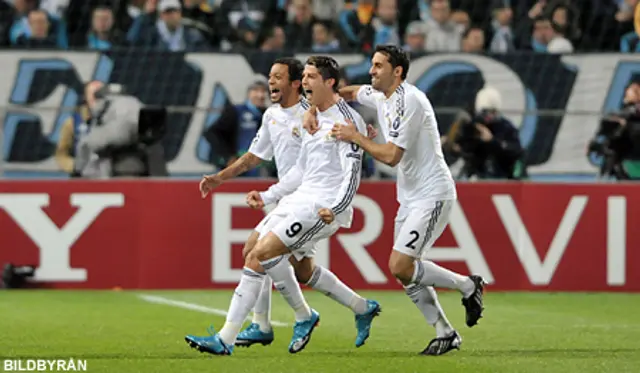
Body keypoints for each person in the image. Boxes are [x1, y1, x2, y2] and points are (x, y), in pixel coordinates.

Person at [185, 57, 380, 356]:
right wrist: (267, 194)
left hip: (321, 205)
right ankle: (358, 307)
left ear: (326, 82)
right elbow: (299, 170)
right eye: (270, 76)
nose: (273, 82)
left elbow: (352, 169)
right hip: (296, 196)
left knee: (261, 256)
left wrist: (338, 204)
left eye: (309, 77)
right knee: (278, 260)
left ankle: (232, 336)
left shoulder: (338, 119)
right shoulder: (306, 116)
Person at [308, 45, 486, 356]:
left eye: (378, 66)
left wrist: (356, 137)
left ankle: (468, 286)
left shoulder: (410, 101)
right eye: (372, 65)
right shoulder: (380, 95)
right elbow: (348, 92)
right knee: (404, 271)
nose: (372, 71)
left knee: (401, 265)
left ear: (398, 72)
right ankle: (445, 332)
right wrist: (314, 106)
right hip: (409, 196)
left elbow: (391, 156)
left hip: (433, 194)